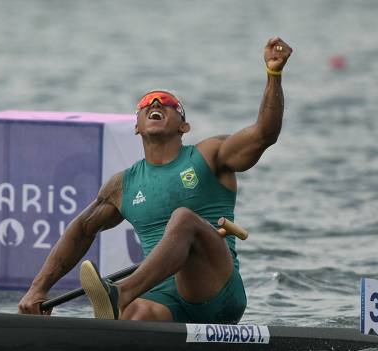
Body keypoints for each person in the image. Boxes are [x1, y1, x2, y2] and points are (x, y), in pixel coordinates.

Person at [18, 37, 292, 322]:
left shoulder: (209, 155)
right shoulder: (122, 185)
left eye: (169, 103)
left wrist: (274, 75)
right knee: (133, 316)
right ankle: (122, 311)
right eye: (146, 102)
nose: (157, 102)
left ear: (184, 126)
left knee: (183, 218)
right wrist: (38, 290)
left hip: (216, 291)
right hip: (163, 299)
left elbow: (264, 134)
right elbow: (81, 230)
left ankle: (121, 294)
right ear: (136, 126)